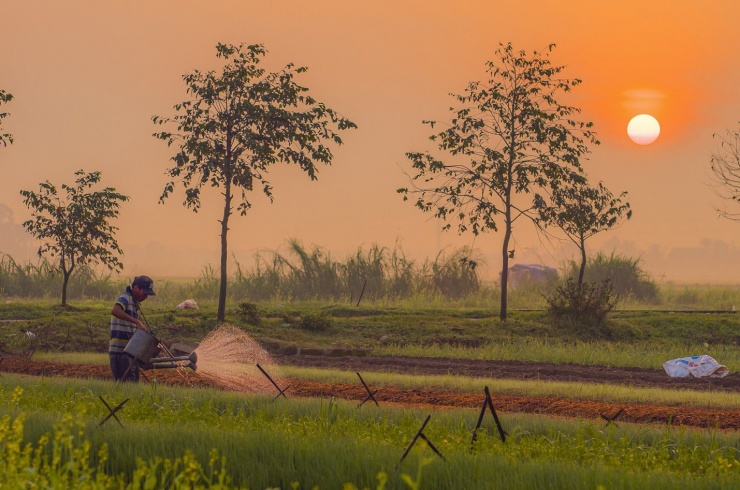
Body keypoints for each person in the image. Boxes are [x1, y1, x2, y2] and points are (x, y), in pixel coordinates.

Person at [109, 275, 155, 382]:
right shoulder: (125, 297)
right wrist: (137, 322)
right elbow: (115, 310)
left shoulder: (134, 304)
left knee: (132, 383)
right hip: (120, 352)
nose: (146, 297)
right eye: (145, 293)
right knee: (126, 384)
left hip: (129, 352)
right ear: (136, 288)